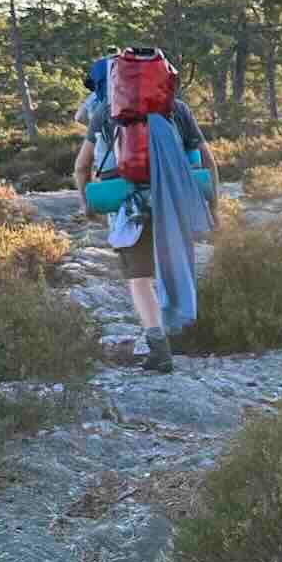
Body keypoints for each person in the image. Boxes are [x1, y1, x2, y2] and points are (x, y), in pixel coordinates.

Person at [72, 54, 220, 373]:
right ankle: (178, 332)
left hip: (129, 207)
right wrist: (213, 208)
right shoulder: (177, 109)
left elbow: (82, 166)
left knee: (140, 281)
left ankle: (158, 347)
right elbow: (207, 162)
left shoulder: (104, 111)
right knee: (173, 267)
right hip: (174, 203)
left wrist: (87, 203)